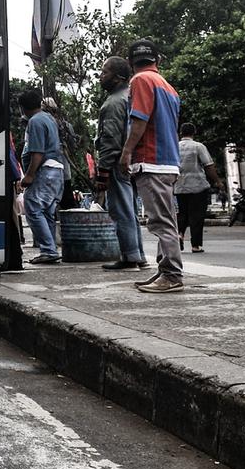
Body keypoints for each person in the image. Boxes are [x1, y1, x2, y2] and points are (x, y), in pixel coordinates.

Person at [119, 39, 183, 294]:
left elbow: (140, 120)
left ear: (129, 62)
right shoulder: (167, 86)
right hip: (168, 161)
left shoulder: (140, 80)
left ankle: (171, 275)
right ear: (159, 59)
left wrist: (126, 151)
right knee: (166, 219)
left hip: (151, 160)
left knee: (161, 222)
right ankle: (164, 270)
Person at [93, 57, 146, 270]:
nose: (100, 76)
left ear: (118, 78)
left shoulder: (113, 103)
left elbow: (110, 140)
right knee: (130, 209)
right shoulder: (130, 97)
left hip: (117, 163)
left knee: (121, 210)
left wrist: (103, 171)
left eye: (104, 72)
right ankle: (137, 254)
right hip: (132, 161)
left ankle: (130, 256)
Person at [18, 90, 66, 264]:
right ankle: (50, 249)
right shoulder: (49, 118)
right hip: (56, 170)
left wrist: (29, 175)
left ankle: (48, 249)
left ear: (22, 108)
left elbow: (37, 152)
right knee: (47, 211)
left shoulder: (35, 121)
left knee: (32, 206)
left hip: (45, 170)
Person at [175, 123, 221, 253]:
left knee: (182, 213)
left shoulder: (175, 147)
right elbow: (208, 165)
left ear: (181, 133)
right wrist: (217, 181)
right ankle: (195, 245)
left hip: (179, 186)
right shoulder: (198, 146)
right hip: (198, 187)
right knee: (197, 215)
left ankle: (180, 234)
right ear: (194, 132)